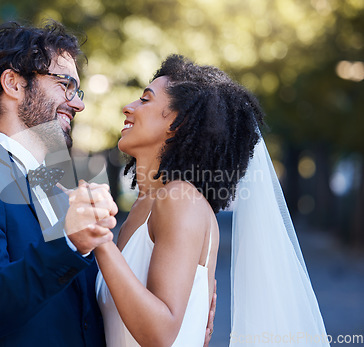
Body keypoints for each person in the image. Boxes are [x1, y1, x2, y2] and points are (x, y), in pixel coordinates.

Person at [95, 55, 329, 346]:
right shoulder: (144, 207)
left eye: (145, 100)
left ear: (177, 123)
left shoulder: (180, 200)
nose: (127, 107)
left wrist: (99, 241)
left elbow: (160, 333)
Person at [0, 21, 118, 346]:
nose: (78, 104)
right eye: (65, 84)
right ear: (13, 83)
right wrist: (69, 244)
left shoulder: (55, 185)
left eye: (77, 90)